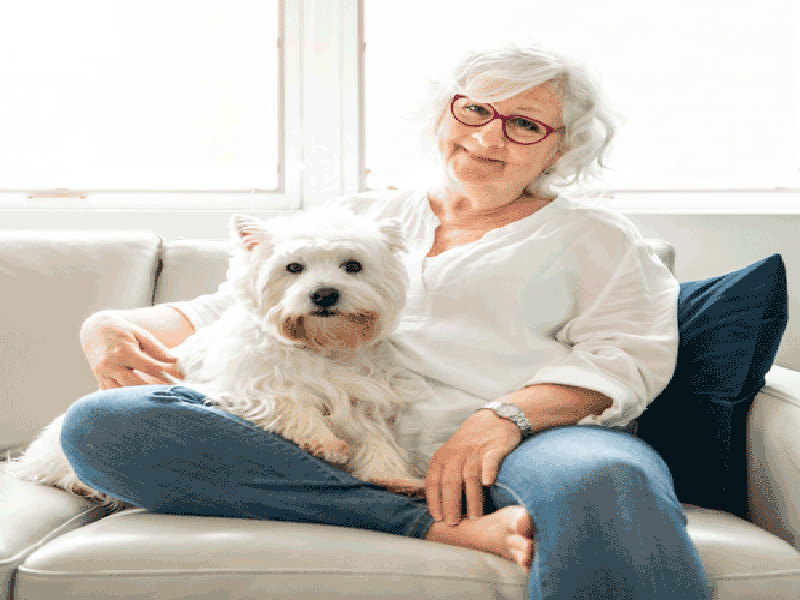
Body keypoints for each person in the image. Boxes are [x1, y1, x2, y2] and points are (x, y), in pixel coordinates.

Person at [62, 41, 712, 599]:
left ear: (562, 147)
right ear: (445, 113)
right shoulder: (363, 214)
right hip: (341, 438)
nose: (488, 136)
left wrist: (503, 417)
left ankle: (437, 500)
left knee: (607, 477)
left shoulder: (596, 236)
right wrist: (108, 323)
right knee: (103, 426)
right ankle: (428, 522)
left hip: (522, 441)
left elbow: (629, 353)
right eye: (477, 109)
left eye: (525, 125)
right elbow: (239, 307)